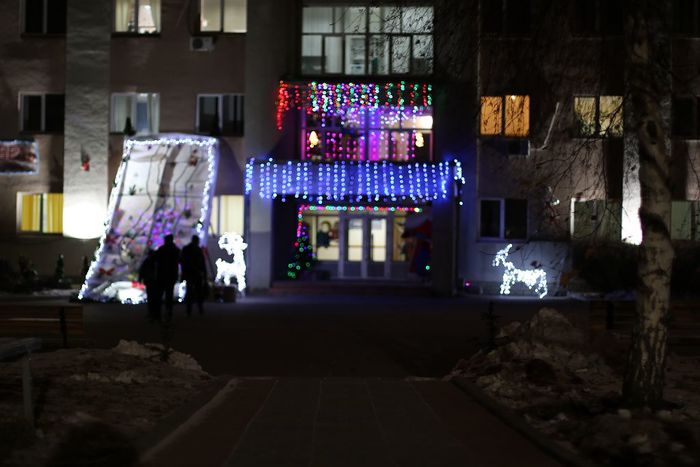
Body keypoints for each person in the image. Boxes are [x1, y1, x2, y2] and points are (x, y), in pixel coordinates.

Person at [155, 234, 180, 322]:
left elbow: (156, 260)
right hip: (170, 276)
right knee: (169, 296)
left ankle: (158, 314)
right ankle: (168, 313)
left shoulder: (161, 249)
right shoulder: (175, 250)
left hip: (162, 276)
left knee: (160, 295)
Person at [181, 235, 207, 316]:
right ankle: (200, 309)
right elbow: (202, 263)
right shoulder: (198, 250)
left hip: (190, 273)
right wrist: (204, 275)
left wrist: (183, 274)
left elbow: (183, 262)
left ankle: (189, 310)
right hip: (197, 274)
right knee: (198, 292)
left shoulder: (186, 249)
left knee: (189, 292)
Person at [138, 249, 160, 322]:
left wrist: (140, 278)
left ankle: (152, 313)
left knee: (151, 298)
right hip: (154, 282)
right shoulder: (156, 261)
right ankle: (155, 313)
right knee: (154, 298)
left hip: (150, 281)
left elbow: (142, 270)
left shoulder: (147, 261)